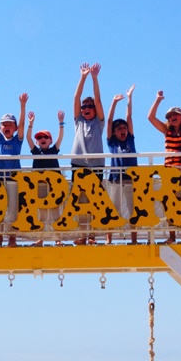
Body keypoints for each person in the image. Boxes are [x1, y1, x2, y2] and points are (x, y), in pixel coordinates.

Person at [147, 76, 181, 243]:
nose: (172, 117)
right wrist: (157, 100)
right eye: (169, 116)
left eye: (175, 114)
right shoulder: (166, 131)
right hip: (170, 174)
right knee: (170, 203)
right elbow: (150, 117)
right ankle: (172, 235)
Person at [70, 63, 105, 245]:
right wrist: (82, 77)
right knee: (79, 201)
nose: (86, 109)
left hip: (96, 165)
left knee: (94, 200)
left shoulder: (98, 123)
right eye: (84, 107)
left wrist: (94, 78)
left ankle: (92, 235)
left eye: (89, 106)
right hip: (78, 164)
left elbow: (98, 100)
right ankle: (82, 234)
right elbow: (76, 98)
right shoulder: (79, 121)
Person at [0, 92, 27, 247]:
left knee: (14, 208)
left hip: (15, 178)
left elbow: (22, 124)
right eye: (4, 124)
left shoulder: (17, 140)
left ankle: (12, 238)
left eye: (10, 124)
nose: (7, 126)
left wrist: (22, 106)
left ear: (15, 128)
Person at [25, 110, 65, 246]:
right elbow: (28, 139)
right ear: (37, 142)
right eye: (40, 137)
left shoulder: (53, 150)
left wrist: (61, 123)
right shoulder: (36, 151)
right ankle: (40, 239)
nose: (42, 139)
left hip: (54, 187)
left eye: (46, 137)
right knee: (41, 214)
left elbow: (60, 138)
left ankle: (57, 239)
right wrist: (30, 124)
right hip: (40, 186)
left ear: (50, 140)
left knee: (55, 213)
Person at [106, 85, 138, 244]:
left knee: (132, 210)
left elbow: (129, 117)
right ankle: (109, 239)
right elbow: (109, 121)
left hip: (131, 180)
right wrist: (113, 103)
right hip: (115, 180)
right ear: (114, 132)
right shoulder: (112, 143)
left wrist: (129, 97)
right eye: (119, 128)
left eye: (124, 128)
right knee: (113, 209)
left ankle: (134, 239)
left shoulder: (130, 139)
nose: (123, 130)